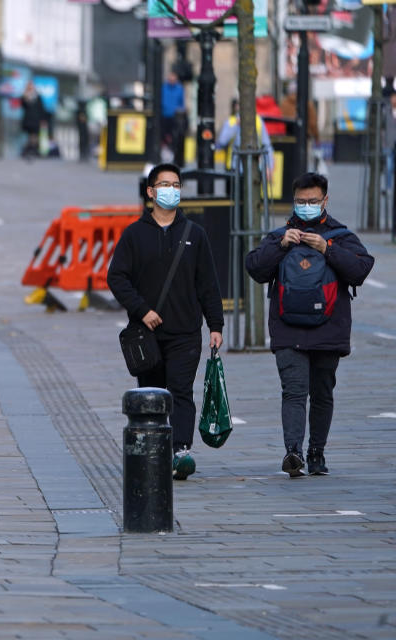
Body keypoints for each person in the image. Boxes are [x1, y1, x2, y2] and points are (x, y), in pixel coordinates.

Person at [245, 172, 374, 477]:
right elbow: (255, 268)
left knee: (322, 392)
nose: (306, 206)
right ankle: (294, 453)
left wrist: (327, 249)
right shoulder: (281, 235)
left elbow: (360, 270)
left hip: (329, 329)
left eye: (312, 201)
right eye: (301, 202)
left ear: (325, 200)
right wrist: (280, 246)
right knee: (293, 390)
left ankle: (317, 452)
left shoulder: (340, 236)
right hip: (288, 329)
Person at [107, 163, 224, 480]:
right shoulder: (134, 235)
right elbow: (117, 278)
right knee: (150, 393)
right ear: (151, 191)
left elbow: (208, 284)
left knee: (181, 391)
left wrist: (216, 325)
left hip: (186, 331)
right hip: (146, 334)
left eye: (176, 184)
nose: (171, 190)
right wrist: (142, 309)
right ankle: (153, 452)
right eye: (164, 184)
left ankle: (181, 451)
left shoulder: (194, 235)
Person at [217, 98, 275, 185]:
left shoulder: (258, 121)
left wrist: (269, 167)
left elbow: (267, 146)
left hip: (254, 168)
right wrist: (235, 126)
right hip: (233, 168)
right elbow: (221, 142)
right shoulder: (231, 122)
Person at [19, 81, 47, 159]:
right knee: (30, 135)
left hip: (36, 119)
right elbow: (23, 106)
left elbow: (41, 109)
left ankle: (33, 150)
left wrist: (43, 119)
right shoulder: (24, 96)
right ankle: (29, 150)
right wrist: (25, 98)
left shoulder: (38, 96)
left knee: (35, 135)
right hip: (28, 120)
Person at [161, 71, 185, 159]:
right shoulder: (163, 87)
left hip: (175, 117)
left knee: (174, 136)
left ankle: (173, 154)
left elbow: (181, 103)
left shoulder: (179, 88)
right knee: (164, 135)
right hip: (164, 116)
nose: (172, 78)